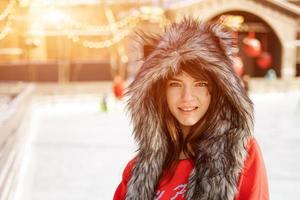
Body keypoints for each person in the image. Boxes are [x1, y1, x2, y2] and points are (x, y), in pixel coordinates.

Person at [113, 18, 269, 200]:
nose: (187, 97)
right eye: (175, 84)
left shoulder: (240, 154)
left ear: (215, 90)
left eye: (200, 84)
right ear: (160, 91)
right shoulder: (136, 172)